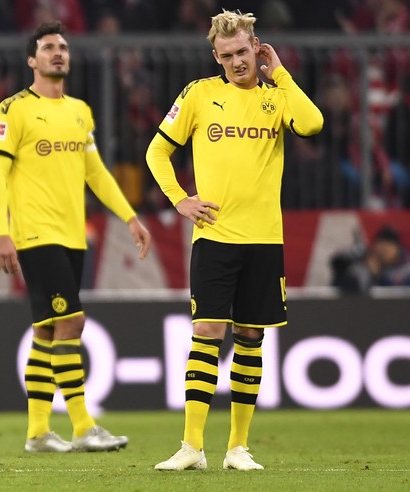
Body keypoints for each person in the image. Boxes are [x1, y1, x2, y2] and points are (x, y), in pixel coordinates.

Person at [146, 10, 323, 471]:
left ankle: (238, 448)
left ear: (256, 48)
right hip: (215, 237)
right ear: (216, 56)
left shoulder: (277, 97)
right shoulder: (200, 94)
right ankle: (191, 447)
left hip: (264, 239)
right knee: (206, 332)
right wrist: (180, 200)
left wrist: (279, 71)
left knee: (249, 337)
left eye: (243, 52)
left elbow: (313, 123)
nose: (237, 62)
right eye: (227, 56)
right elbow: (157, 150)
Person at [0, 20, 151, 453]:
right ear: (31, 59)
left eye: (63, 47)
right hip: (35, 234)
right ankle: (82, 425)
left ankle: (38, 433)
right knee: (72, 322)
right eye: (48, 47)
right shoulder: (12, 110)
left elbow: (94, 171)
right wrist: (1, 232)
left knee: (46, 331)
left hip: (72, 235)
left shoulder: (80, 110)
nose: (58, 52)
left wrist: (129, 217)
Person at [331, 225, 410, 293]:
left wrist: (379, 276)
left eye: (387, 248)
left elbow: (407, 296)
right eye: (380, 247)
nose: (382, 252)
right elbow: (340, 286)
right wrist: (341, 267)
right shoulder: (369, 266)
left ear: (397, 248)